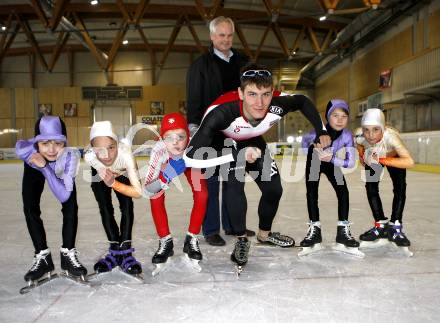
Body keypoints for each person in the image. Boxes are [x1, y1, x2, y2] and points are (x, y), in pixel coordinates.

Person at [184, 63, 331, 268]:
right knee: (234, 186)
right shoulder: (220, 112)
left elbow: (303, 101)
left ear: (272, 93)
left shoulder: (279, 103)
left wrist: (321, 130)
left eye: (265, 94)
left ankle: (264, 234)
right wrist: (237, 155)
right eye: (252, 94)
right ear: (241, 93)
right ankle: (241, 240)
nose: (260, 103)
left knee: (274, 189)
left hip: (253, 141)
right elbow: (190, 156)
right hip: (224, 144)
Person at [186, 16, 253, 246]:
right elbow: (194, 99)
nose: (225, 40)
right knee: (212, 181)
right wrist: (194, 129)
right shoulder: (200, 66)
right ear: (212, 37)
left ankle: (234, 225)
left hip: (238, 129)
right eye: (221, 35)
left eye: (229, 35)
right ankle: (211, 229)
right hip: (210, 131)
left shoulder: (244, 63)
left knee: (234, 180)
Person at [15, 116, 87, 283]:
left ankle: (68, 254)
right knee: (30, 207)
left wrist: (45, 167)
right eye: (45, 143)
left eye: (58, 143)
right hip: (34, 164)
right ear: (37, 143)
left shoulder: (69, 157)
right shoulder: (29, 152)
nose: (52, 150)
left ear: (65, 143)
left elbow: (64, 196)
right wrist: (38, 163)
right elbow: (19, 147)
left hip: (57, 169)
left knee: (71, 207)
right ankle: (43, 258)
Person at [143, 113, 208, 268]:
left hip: (190, 161)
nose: (176, 142)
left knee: (202, 194)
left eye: (180, 136)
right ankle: (165, 240)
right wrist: (167, 175)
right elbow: (148, 190)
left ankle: (191, 238)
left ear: (188, 136)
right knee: (156, 196)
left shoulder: (194, 146)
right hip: (167, 163)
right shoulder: (159, 151)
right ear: (161, 138)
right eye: (169, 137)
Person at [300, 99, 359, 253]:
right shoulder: (316, 132)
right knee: (312, 193)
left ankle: (342, 232)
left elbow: (351, 163)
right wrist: (310, 152)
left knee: (343, 191)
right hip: (314, 161)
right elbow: (304, 141)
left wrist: (330, 159)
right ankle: (315, 231)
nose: (339, 120)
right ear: (327, 116)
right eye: (335, 115)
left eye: (344, 116)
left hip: (331, 160)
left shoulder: (347, 135)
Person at [84, 121, 142, 276]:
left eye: (111, 147)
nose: (107, 155)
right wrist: (105, 172)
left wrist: (114, 183)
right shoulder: (89, 157)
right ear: (92, 149)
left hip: (121, 172)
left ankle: (126, 251)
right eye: (100, 150)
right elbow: (102, 168)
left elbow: (137, 192)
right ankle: (116, 251)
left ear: (117, 144)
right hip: (100, 174)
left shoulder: (126, 155)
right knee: (105, 208)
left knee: (126, 206)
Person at [355, 108, 414, 247]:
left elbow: (409, 161)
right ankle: (380, 224)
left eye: (376, 129)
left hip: (393, 156)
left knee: (399, 188)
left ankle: (395, 226)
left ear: (383, 128)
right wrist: (362, 156)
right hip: (375, 153)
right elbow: (359, 144)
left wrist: (381, 160)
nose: (370, 135)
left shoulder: (391, 137)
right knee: (370, 187)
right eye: (366, 130)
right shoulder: (359, 135)